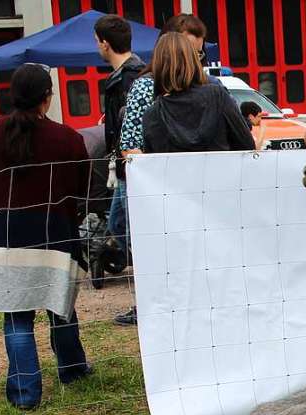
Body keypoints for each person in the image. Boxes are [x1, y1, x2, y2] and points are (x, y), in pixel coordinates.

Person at [0, 64, 91, 410]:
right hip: (55, 235)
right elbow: (82, 190)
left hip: (4, 237)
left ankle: (25, 393)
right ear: (48, 97)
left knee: (17, 315)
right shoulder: (69, 139)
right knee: (61, 306)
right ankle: (72, 369)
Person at [113, 13, 209, 327]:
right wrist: (160, 178)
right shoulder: (145, 88)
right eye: (189, 52)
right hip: (157, 196)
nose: (194, 60)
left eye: (199, 53)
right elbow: (130, 144)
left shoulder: (211, 89)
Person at [141, 32, 255, 154]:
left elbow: (153, 164)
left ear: (158, 66)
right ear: (192, 60)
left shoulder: (152, 114)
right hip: (220, 171)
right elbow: (246, 144)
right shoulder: (217, 96)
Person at [95, 14, 144, 250]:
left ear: (105, 43)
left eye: (97, 41)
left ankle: (145, 271)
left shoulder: (130, 77)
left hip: (131, 162)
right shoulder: (128, 74)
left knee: (132, 226)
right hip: (124, 163)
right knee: (117, 223)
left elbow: (132, 125)